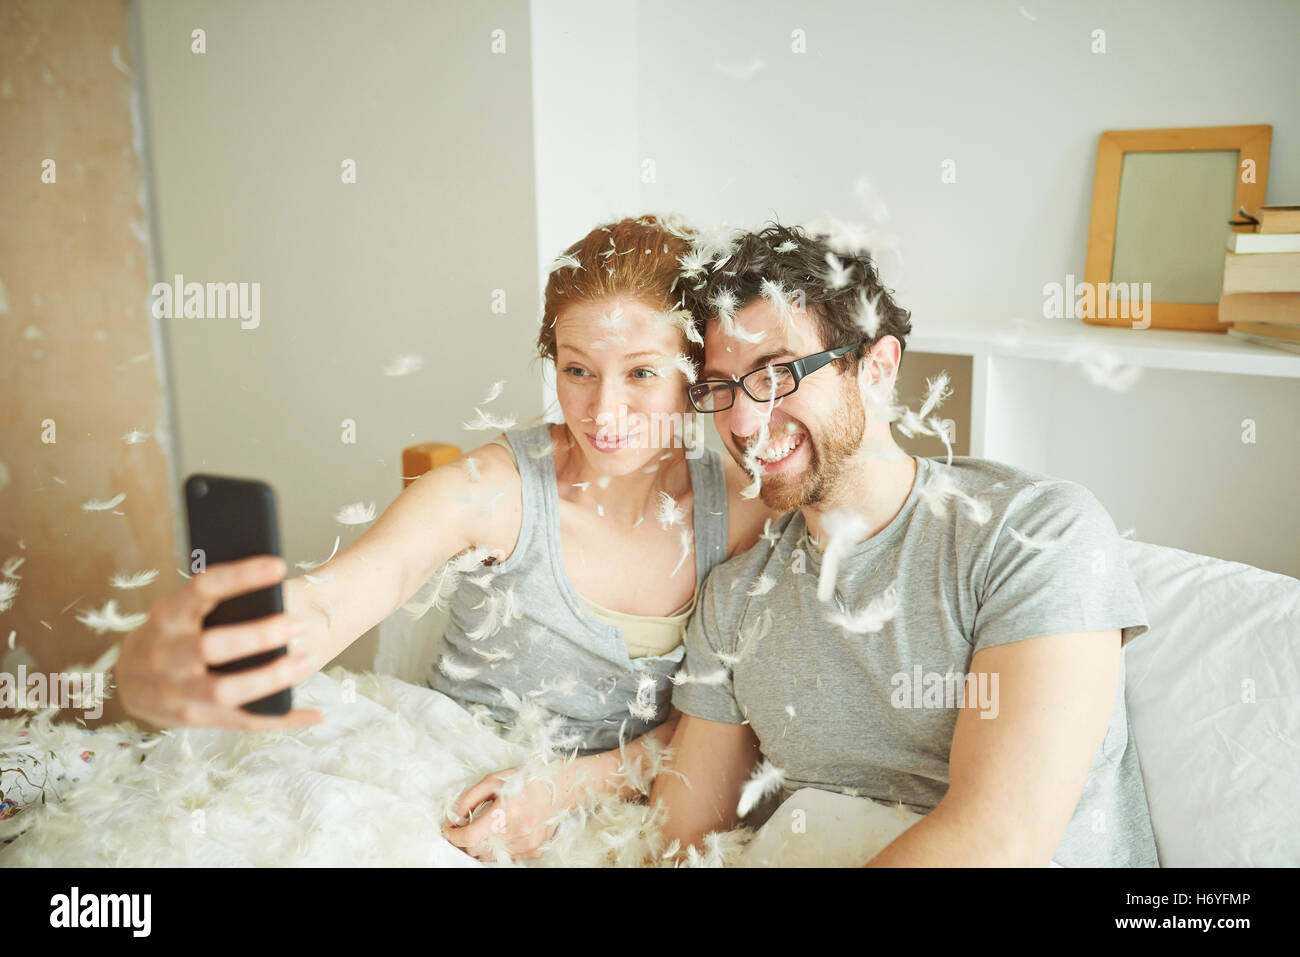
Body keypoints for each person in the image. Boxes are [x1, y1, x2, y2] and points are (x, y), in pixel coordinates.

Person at [115, 214, 782, 863]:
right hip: (451, 788)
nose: (604, 413)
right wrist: (192, 654)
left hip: (608, 812)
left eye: (641, 373)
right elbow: (343, 594)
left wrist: (564, 789)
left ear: (697, 375)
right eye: (578, 370)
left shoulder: (746, 511)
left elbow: (724, 722)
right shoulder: (491, 488)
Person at [649, 222, 1160, 867]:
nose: (744, 422)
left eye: (777, 373)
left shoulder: (1034, 533)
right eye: (720, 388)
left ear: (878, 368)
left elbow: (998, 841)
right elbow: (676, 845)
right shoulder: (737, 597)